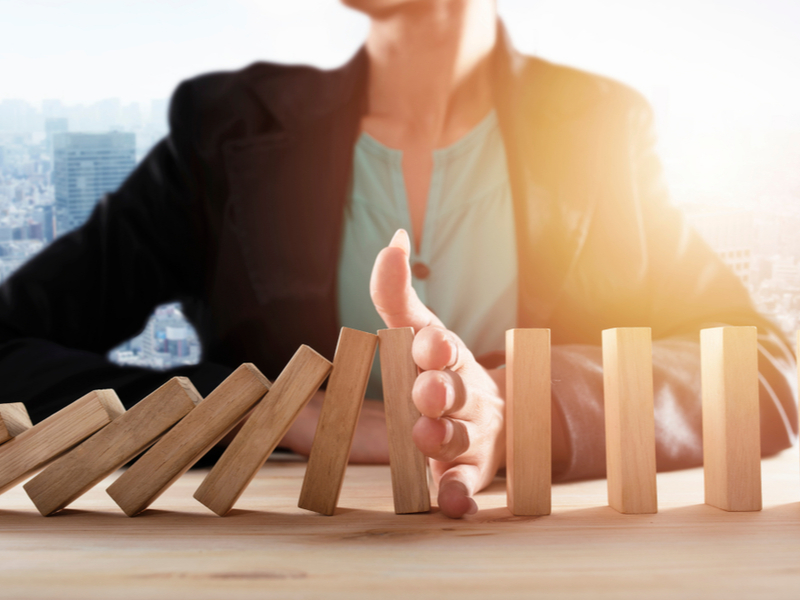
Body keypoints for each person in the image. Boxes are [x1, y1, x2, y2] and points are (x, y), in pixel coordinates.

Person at [0, 0, 795, 519]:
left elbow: (761, 368)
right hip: (279, 567)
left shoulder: (598, 128)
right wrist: (275, 413)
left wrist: (527, 413)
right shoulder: (229, 127)